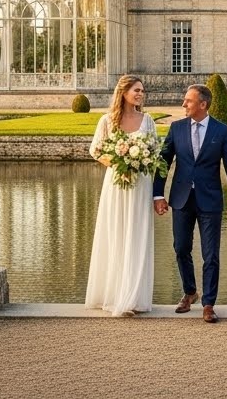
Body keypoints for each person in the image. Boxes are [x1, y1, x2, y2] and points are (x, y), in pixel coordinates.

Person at [153, 83, 227, 323]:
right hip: (181, 198)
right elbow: (163, 163)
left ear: (203, 104)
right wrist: (158, 195)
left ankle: (209, 304)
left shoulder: (222, 131)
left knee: (210, 254)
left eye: (189, 100)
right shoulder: (176, 128)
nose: (183, 104)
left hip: (210, 200)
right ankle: (190, 291)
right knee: (181, 248)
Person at [84, 74, 158, 316]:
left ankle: (134, 297)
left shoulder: (147, 120)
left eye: (142, 91)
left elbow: (155, 151)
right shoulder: (107, 120)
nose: (140, 94)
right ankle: (115, 295)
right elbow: (96, 150)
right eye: (136, 90)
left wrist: (139, 161)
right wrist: (119, 164)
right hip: (117, 184)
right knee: (116, 233)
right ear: (123, 92)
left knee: (137, 235)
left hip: (141, 185)